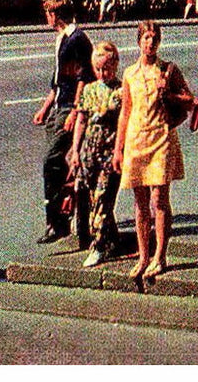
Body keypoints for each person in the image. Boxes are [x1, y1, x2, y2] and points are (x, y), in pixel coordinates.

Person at [114, 21, 192, 282]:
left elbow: (190, 100)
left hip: (161, 137)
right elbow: (125, 112)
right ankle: (143, 256)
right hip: (137, 139)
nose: (150, 42)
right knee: (140, 203)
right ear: (139, 41)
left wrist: (168, 93)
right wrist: (118, 149)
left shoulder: (168, 70)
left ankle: (160, 256)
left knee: (159, 199)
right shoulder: (130, 73)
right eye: (146, 37)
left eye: (154, 38)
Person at [32, 0, 93, 244]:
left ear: (55, 15)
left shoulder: (77, 39)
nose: (47, 18)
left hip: (69, 108)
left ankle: (57, 223)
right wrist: (45, 108)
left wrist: (76, 112)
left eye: (48, 13)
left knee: (51, 162)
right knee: (61, 166)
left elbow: (83, 78)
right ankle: (71, 216)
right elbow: (58, 80)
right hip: (58, 107)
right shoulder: (62, 38)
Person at [71, 41, 124, 268]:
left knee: (103, 198)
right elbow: (81, 120)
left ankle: (99, 246)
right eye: (98, 69)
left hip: (110, 151)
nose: (103, 74)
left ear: (115, 65)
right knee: (94, 197)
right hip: (90, 152)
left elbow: (124, 122)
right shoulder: (89, 89)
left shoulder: (121, 90)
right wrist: (75, 150)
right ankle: (112, 239)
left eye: (107, 69)